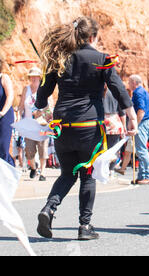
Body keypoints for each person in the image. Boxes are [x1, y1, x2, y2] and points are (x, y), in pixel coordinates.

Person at [35, 16, 138, 240]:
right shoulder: (101, 59)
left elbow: (41, 95)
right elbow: (118, 89)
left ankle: (49, 208)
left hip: (63, 126)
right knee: (87, 175)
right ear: (93, 36)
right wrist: (131, 117)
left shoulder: (59, 58)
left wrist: (44, 111)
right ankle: (85, 226)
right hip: (89, 126)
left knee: (67, 173)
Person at [19, 67, 51, 181]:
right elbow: (21, 106)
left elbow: (49, 109)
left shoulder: (44, 90)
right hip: (29, 125)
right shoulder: (26, 90)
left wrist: (43, 112)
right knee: (29, 151)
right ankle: (33, 167)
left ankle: (43, 172)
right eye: (31, 77)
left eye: (35, 77)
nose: (33, 79)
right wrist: (19, 118)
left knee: (43, 149)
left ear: (39, 78)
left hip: (42, 125)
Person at [128, 75, 149, 184]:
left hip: (142, 122)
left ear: (134, 82)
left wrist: (135, 124)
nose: (128, 84)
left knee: (142, 150)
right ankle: (142, 175)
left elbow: (141, 110)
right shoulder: (143, 91)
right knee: (141, 149)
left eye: (129, 82)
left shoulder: (137, 92)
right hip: (146, 122)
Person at [103, 87, 127, 178]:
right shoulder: (115, 92)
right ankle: (111, 170)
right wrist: (124, 126)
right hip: (114, 121)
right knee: (113, 148)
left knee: (101, 148)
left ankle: (103, 169)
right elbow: (122, 112)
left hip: (102, 121)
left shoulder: (99, 90)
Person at [0, 55, 15, 166]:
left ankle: (7, 175)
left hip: (4, 116)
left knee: (3, 147)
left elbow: (10, 96)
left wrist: (2, 112)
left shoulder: (4, 77)